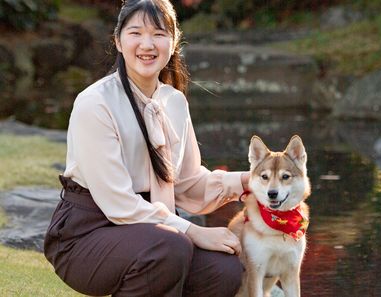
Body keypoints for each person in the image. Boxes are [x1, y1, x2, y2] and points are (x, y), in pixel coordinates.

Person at [44, 0, 250, 296]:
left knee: (224, 269)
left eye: (158, 34)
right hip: (87, 233)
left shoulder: (174, 102)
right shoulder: (96, 103)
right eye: (136, 33)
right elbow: (119, 203)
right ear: (118, 41)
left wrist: (245, 182)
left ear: (174, 40)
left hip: (154, 231)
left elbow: (189, 185)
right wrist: (193, 231)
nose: (147, 44)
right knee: (169, 246)